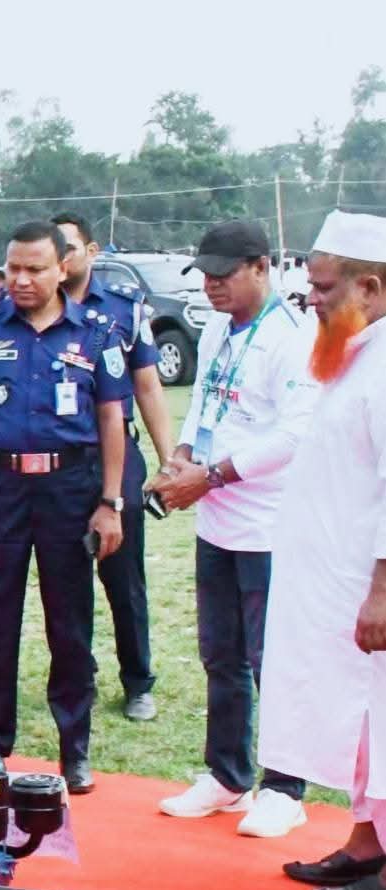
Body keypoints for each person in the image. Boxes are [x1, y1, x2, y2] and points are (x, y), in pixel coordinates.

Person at [0, 220, 133, 795]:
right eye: (12, 269)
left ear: (62, 268)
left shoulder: (97, 332)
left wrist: (111, 502)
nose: (20, 280)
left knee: (69, 623)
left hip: (69, 488)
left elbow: (111, 421)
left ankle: (73, 750)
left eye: (33, 269)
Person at [148, 220, 319, 835]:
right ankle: (227, 776)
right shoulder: (220, 326)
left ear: (261, 266)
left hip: (270, 525)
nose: (213, 286)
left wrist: (212, 476)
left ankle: (284, 786)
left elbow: (295, 435)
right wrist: (183, 457)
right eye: (206, 275)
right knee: (219, 654)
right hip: (217, 520)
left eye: (225, 275)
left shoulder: (295, 337)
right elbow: (203, 403)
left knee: (270, 658)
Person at [255, 211, 386, 890]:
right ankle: (366, 843)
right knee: (358, 722)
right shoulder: (353, 352)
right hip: (333, 578)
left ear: (368, 287)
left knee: (384, 719)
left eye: (325, 288)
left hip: (369, 583)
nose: (311, 299)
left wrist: (381, 590)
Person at [52, 212, 176, 721]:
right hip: (60, 462)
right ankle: (79, 674)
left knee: (123, 576)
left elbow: (147, 386)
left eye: (70, 248)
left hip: (115, 455)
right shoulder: (36, 310)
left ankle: (138, 679)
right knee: (65, 580)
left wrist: (169, 462)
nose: (61, 259)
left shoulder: (124, 309)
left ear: (92, 251)